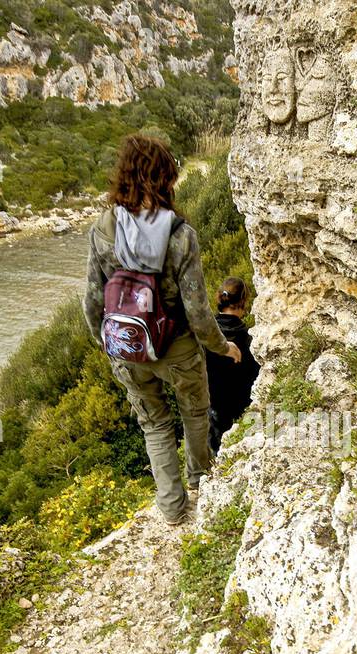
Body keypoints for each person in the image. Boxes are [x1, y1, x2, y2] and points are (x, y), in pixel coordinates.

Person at [83, 134, 241, 524]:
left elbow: (91, 301)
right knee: (195, 413)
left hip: (127, 347)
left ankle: (171, 506)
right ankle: (202, 483)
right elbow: (199, 313)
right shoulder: (180, 236)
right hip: (177, 348)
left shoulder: (103, 229)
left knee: (153, 422)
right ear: (167, 178)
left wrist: (108, 345)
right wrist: (224, 347)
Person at [204, 277, 261, 451]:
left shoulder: (205, 335)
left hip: (211, 410)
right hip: (243, 415)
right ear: (243, 302)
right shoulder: (250, 339)